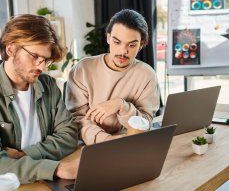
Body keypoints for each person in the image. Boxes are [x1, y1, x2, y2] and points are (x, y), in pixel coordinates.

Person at [0, 14, 79, 184]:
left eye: (46, 60)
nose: (41, 66)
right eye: (35, 56)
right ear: (11, 50)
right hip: (5, 188)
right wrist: (56, 168)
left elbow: (69, 135)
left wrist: (26, 154)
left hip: (43, 180)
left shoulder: (49, 85)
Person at [66, 9, 160, 145]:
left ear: (142, 44)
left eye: (132, 45)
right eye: (117, 42)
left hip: (128, 142)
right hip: (90, 144)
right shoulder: (83, 69)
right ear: (108, 38)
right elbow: (77, 118)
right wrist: (107, 141)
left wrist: (121, 105)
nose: (123, 51)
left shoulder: (147, 75)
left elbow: (145, 123)